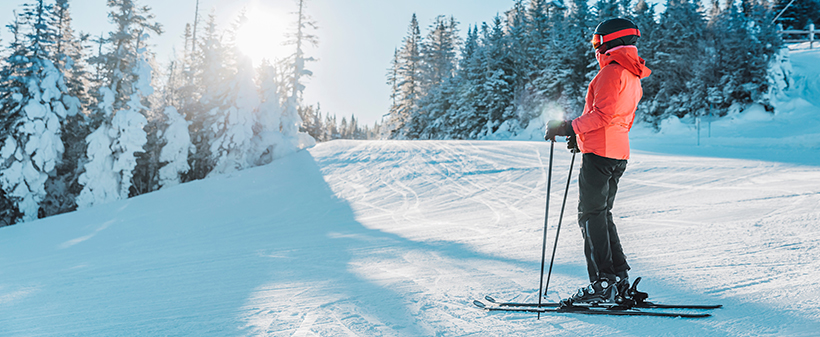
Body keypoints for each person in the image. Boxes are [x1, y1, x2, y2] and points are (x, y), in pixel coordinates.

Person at [544, 17, 651, 306]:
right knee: (602, 214)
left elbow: (602, 116)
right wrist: (580, 138)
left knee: (590, 215)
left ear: (611, 41)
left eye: (596, 42)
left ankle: (603, 283)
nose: (595, 48)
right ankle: (619, 280)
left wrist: (568, 127)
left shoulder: (610, 74)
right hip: (617, 153)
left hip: (600, 155)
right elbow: (618, 121)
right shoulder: (632, 76)